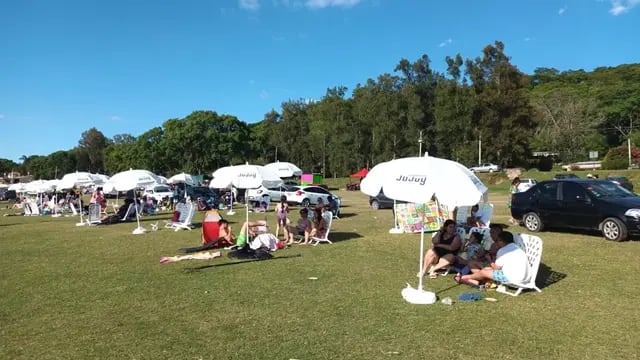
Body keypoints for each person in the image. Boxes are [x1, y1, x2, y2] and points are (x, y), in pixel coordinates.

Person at [455, 231, 529, 287]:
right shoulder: (516, 248)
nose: (496, 243)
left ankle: (464, 277)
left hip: (513, 278)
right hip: (524, 276)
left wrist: (489, 259)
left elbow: (496, 268)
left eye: (497, 241)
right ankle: (480, 281)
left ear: (501, 241)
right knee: (486, 269)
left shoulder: (503, 250)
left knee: (484, 272)